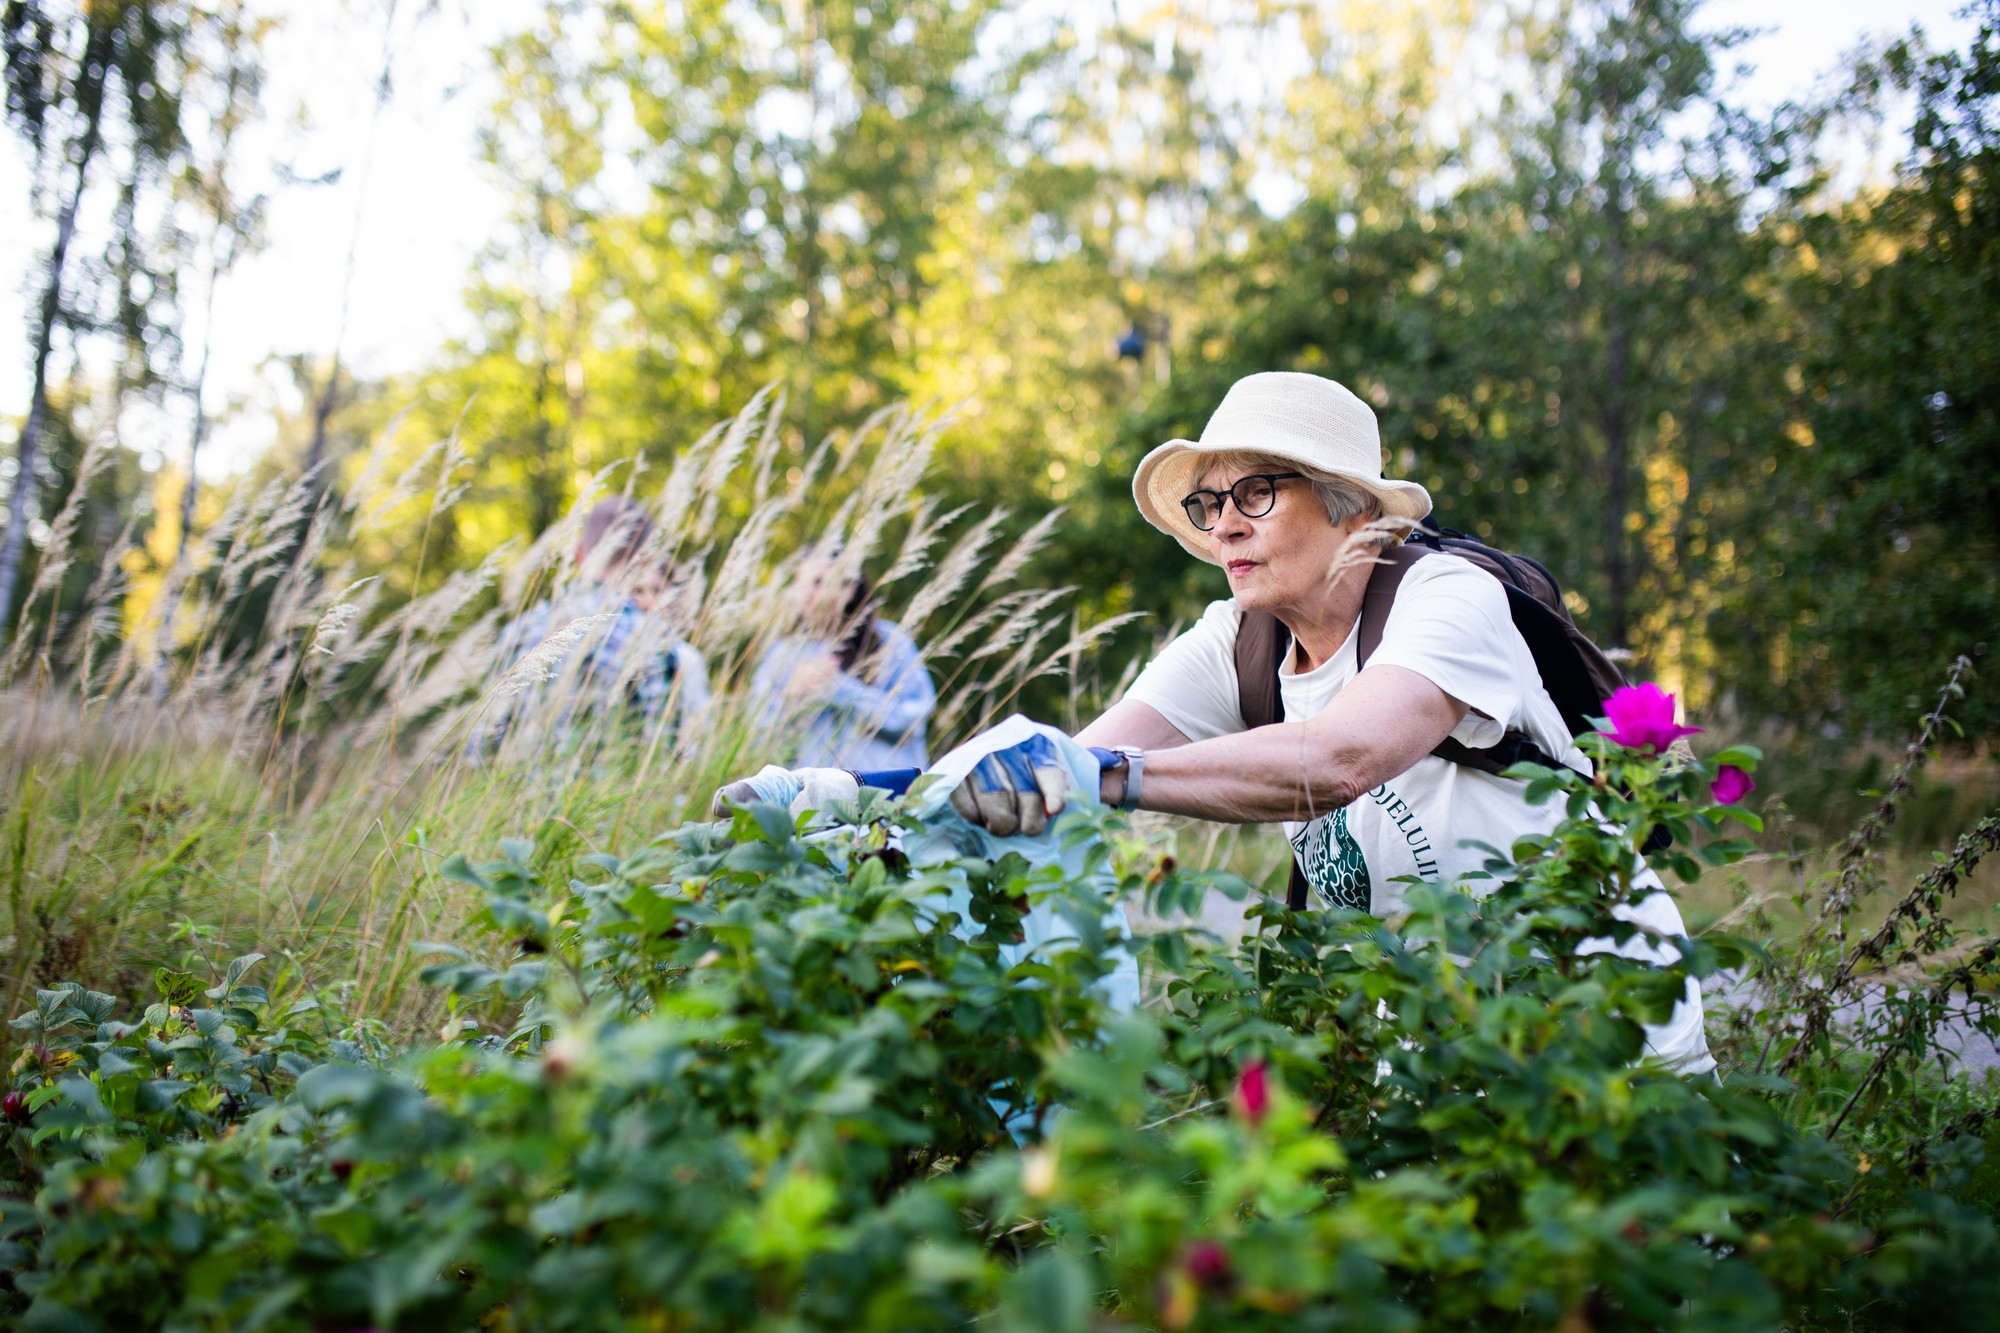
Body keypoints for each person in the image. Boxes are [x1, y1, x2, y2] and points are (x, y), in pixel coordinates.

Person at [716, 371, 1710, 1072]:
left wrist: (1103, 781)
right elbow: (1060, 761)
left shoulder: (1441, 598)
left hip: (1602, 1033)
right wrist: (833, 799)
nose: (1222, 522)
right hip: (1434, 1058)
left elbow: (1346, 753)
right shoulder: (1232, 641)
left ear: (1344, 504)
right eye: (1205, 501)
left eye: (1254, 492)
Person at [492, 497, 710, 736]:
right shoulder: (659, 645)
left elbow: (481, 742)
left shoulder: (519, 631)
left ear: (578, 554)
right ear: (648, 559)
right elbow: (668, 748)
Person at [748, 550, 935, 771]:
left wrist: (840, 690)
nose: (806, 594)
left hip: (887, 794)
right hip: (813, 799)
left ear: (848, 588)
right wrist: (790, 698)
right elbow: (757, 736)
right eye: (802, 583)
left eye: (818, 582)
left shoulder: (889, 642)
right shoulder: (782, 654)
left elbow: (915, 719)